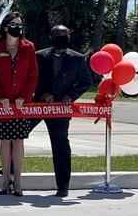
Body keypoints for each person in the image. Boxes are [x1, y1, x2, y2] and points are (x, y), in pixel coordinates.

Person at [31, 25, 93, 197]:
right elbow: (32, 78)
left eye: (65, 35)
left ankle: (63, 186)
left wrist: (70, 96)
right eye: (58, 35)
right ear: (51, 38)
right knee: (18, 134)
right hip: (38, 105)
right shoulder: (39, 56)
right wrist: (43, 94)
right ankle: (9, 172)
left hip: (60, 110)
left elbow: (86, 82)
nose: (62, 38)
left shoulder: (78, 59)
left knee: (60, 146)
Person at [0, 12, 38, 197]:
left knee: (18, 141)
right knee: (4, 141)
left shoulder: (28, 47)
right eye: (14, 24)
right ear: (6, 27)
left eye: (20, 24)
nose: (17, 27)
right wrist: (0, 98)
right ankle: (4, 181)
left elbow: (33, 75)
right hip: (3, 104)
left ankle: (17, 181)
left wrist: (24, 96)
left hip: (21, 104)